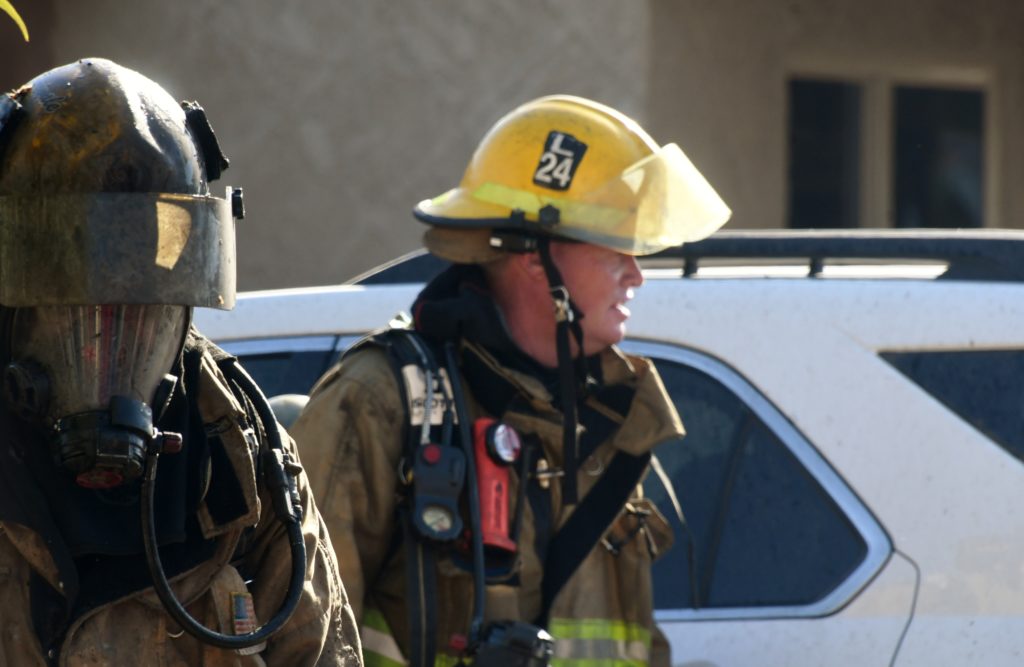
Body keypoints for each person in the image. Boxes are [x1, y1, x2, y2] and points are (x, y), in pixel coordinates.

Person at [291, 95, 730, 666]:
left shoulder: (608, 426)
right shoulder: (380, 401)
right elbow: (302, 638)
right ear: (534, 256)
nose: (636, 274)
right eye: (615, 247)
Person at [0, 58, 362, 665]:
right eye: (73, 309)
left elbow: (318, 650)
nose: (110, 345)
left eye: (144, 309)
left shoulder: (240, 457)